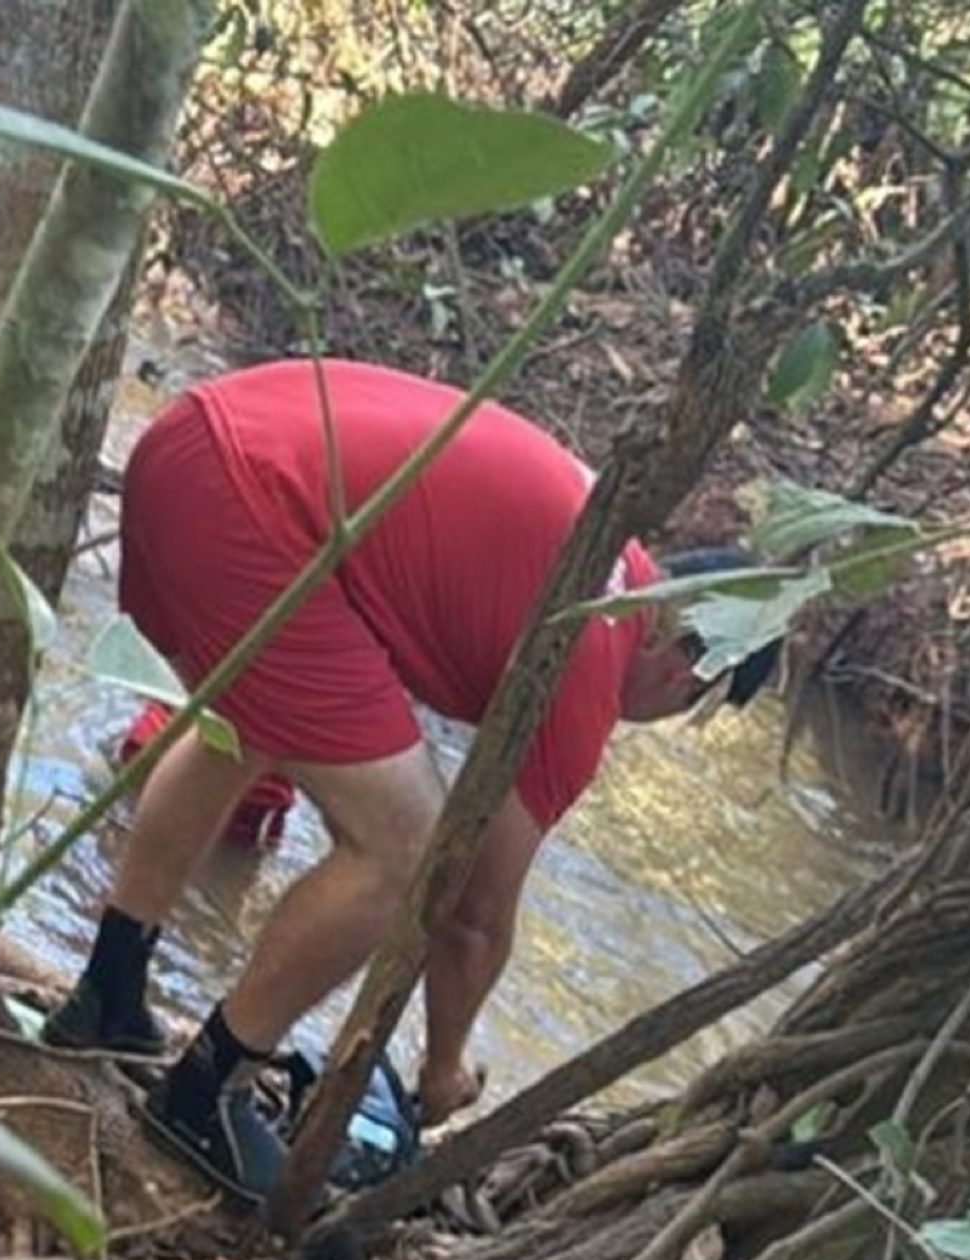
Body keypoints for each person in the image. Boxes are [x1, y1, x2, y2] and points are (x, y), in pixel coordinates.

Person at [44, 358, 778, 1208]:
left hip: (190, 441)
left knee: (243, 730)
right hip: (254, 503)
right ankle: (205, 1091)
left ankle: (109, 992)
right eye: (695, 704)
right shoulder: (596, 651)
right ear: (693, 665)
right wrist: (442, 1068)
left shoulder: (609, 553)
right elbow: (471, 914)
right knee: (409, 851)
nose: (666, 714)